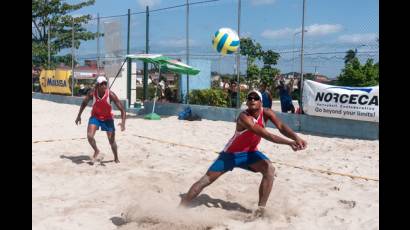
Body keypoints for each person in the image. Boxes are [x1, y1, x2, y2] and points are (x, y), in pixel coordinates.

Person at [179, 90, 307, 217]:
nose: (252, 100)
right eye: (249, 98)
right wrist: (289, 143)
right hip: (230, 155)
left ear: (261, 102)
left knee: (269, 169)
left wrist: (296, 138)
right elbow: (265, 134)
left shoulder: (267, 112)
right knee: (205, 181)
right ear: (246, 102)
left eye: (255, 98)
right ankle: (180, 209)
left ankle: (260, 210)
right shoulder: (243, 117)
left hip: (250, 153)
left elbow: (281, 127)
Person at [75, 76, 126, 163]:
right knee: (90, 136)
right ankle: (96, 150)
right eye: (102, 84)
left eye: (105, 83)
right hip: (95, 117)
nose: (104, 85)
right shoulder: (92, 94)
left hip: (108, 119)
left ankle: (116, 157)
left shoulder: (111, 94)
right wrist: (79, 116)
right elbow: (84, 103)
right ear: (98, 85)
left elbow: (122, 110)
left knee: (111, 141)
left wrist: (123, 123)